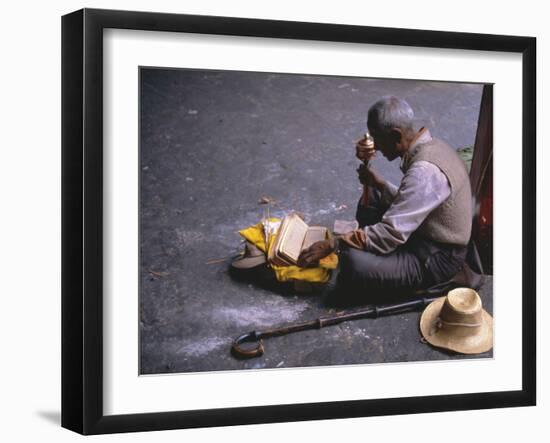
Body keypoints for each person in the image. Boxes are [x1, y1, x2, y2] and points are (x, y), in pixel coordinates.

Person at [298, 96, 472, 299]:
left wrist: (333, 244)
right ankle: (376, 252)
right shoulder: (433, 145)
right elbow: (413, 202)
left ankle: (412, 277)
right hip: (424, 232)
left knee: (351, 262)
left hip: (437, 257)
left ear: (396, 136)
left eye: (378, 139)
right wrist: (378, 183)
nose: (377, 148)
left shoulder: (424, 172)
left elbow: (391, 234)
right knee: (374, 195)